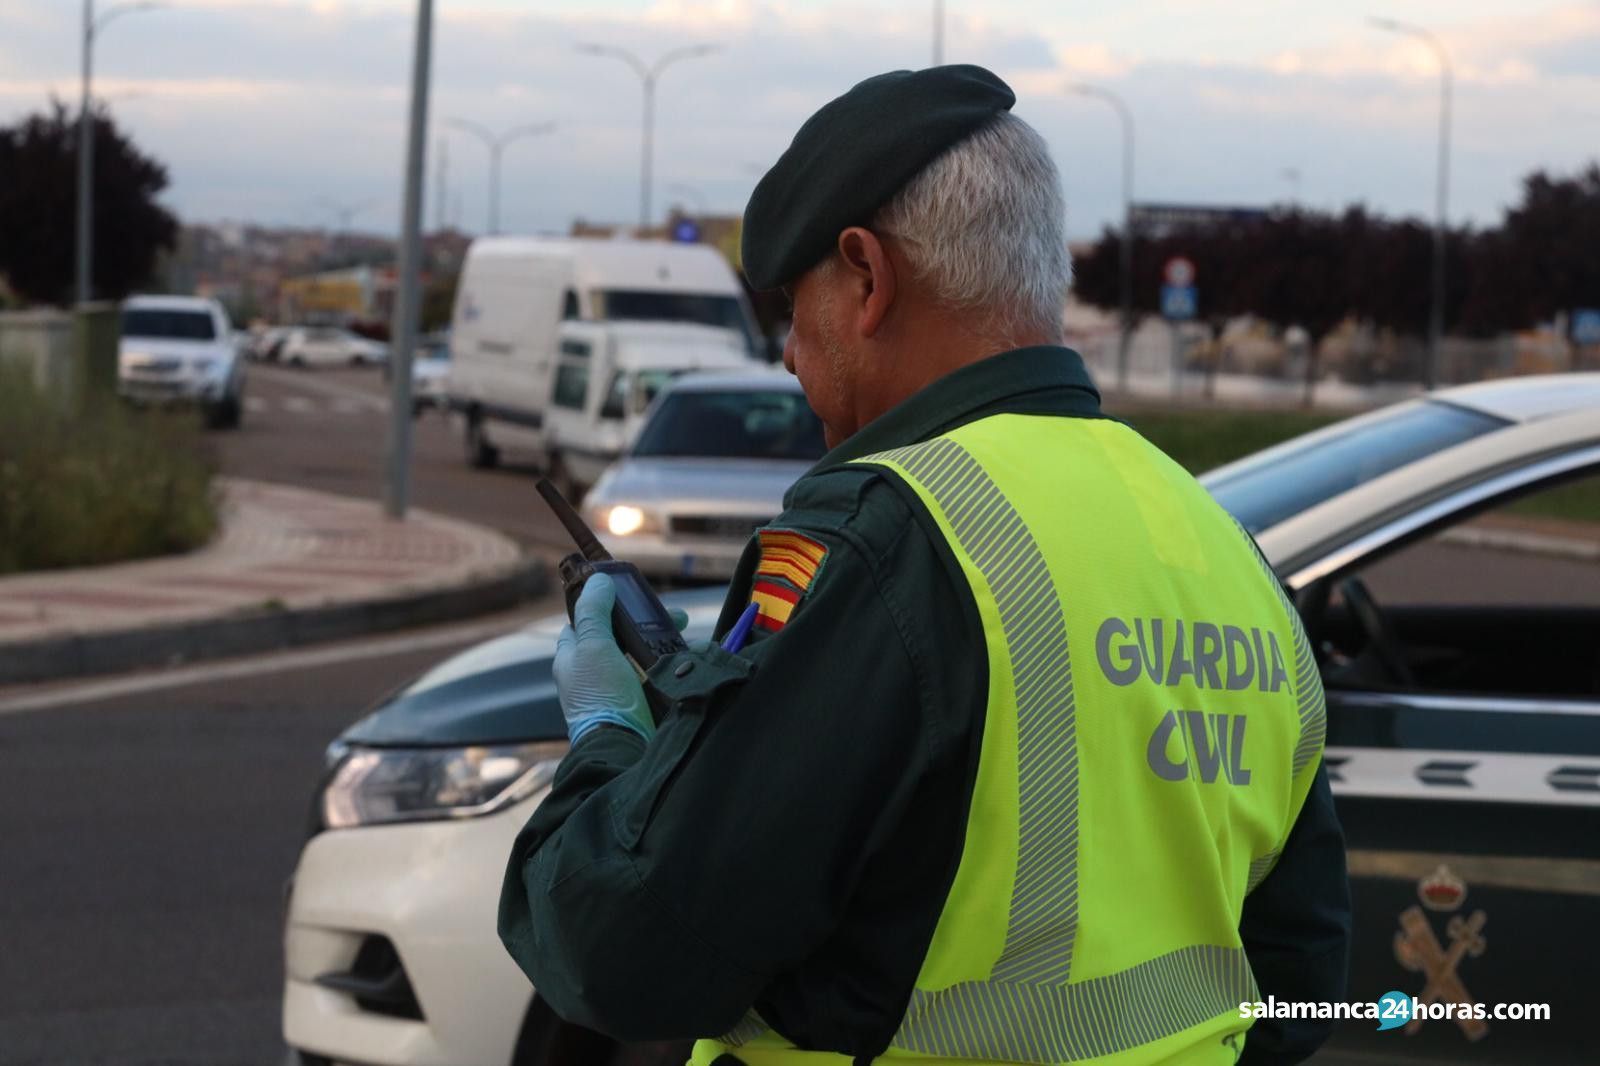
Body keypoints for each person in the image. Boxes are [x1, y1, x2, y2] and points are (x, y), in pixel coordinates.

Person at [499, 64, 1349, 1066]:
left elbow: (622, 950)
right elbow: (1298, 975)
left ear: (865, 275)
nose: (787, 355)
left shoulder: (889, 533)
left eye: (791, 307)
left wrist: (609, 742)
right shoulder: (1216, 542)